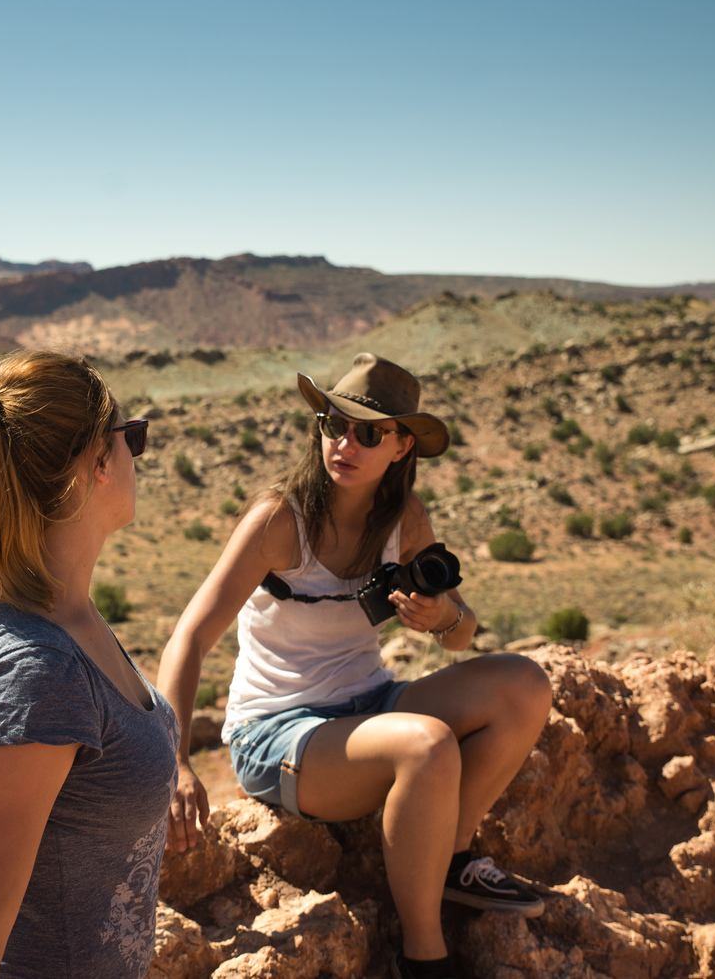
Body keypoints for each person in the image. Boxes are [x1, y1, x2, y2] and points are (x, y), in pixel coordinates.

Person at [157, 353, 553, 979]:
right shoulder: (280, 520)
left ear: (400, 447)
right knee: (425, 746)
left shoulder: (403, 519)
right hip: (278, 733)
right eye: (332, 423)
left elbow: (463, 635)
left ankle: (450, 857)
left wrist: (441, 617)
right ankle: (424, 957)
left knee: (525, 685)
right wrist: (175, 761)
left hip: (369, 706)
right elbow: (189, 637)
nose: (344, 443)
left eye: (367, 432)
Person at [0, 350, 178, 979]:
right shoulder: (36, 671)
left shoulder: (69, 618)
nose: (135, 456)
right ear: (96, 465)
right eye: (130, 438)